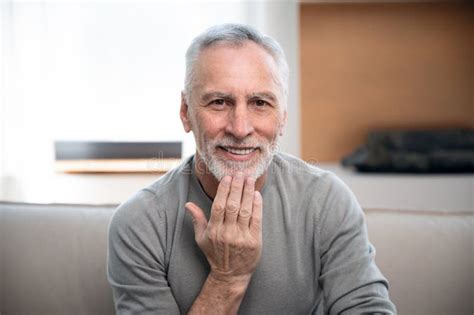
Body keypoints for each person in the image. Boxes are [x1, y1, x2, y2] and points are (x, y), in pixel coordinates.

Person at [107, 23, 396, 314]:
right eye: (219, 102)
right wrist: (228, 277)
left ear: (282, 116)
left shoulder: (326, 201)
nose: (240, 128)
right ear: (186, 112)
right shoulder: (139, 223)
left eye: (260, 102)